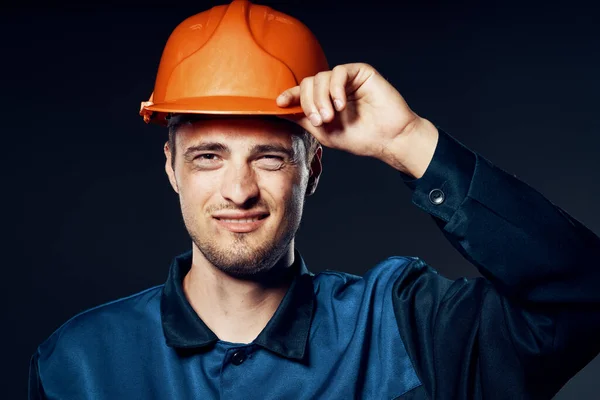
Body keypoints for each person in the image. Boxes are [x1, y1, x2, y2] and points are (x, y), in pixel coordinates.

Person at [29, 1, 600, 399]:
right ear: (171, 168)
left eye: (270, 157)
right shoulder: (77, 363)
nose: (239, 189)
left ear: (313, 169)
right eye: (209, 156)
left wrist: (409, 143)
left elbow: (583, 294)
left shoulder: (405, 327)